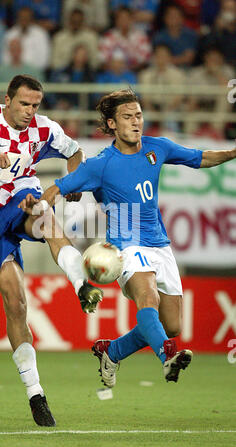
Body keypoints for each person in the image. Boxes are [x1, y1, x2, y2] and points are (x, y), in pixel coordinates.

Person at [19, 88, 236, 388]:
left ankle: (112, 351)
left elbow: (201, 157)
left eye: (139, 115)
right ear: (112, 125)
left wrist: (233, 152)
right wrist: (38, 205)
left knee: (171, 325)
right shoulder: (101, 164)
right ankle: (167, 358)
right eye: (127, 117)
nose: (136, 122)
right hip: (125, 246)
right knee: (148, 297)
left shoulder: (157, 147)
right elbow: (58, 188)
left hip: (160, 244)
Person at [0, 74, 103, 426]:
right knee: (15, 302)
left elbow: (75, 151)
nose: (30, 111)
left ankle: (81, 285)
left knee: (44, 216)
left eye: (35, 105)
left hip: (23, 199)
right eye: (24, 104)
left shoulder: (45, 129)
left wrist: (72, 180)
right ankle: (36, 394)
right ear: (8, 100)